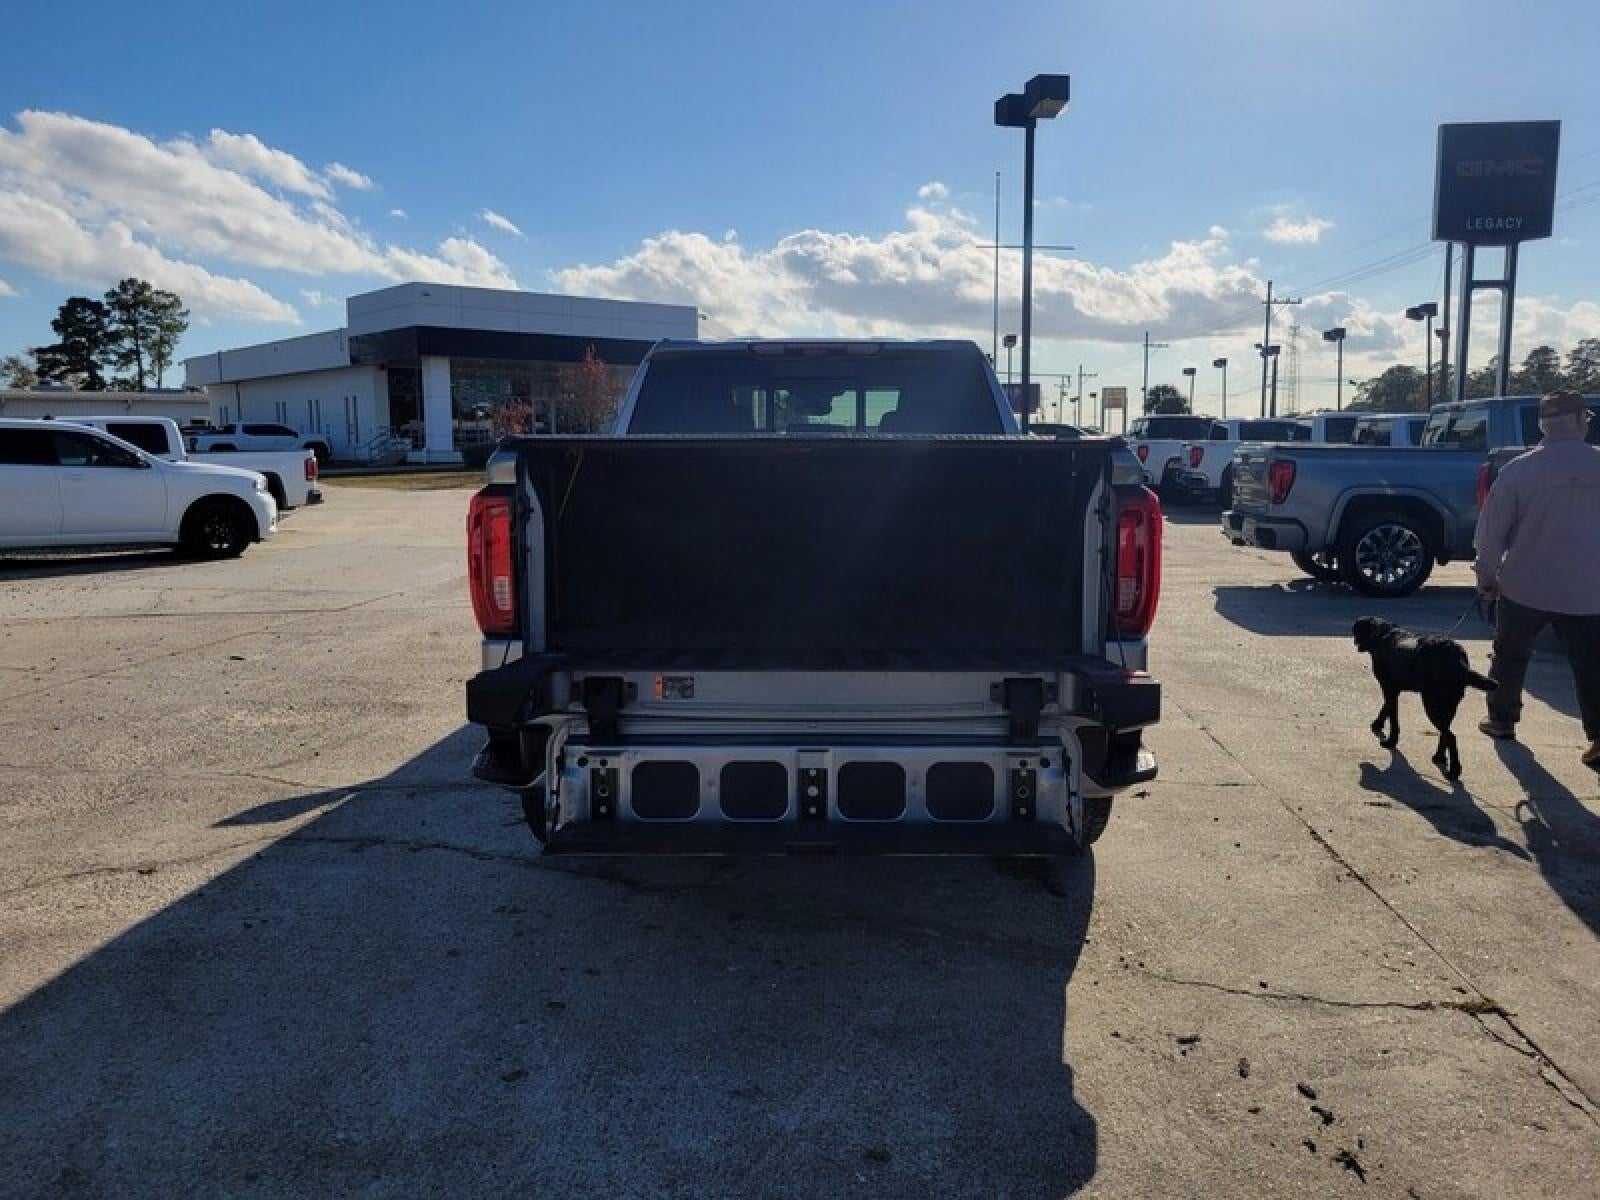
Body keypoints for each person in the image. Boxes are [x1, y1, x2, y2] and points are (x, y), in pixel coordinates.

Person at [1473, 390, 1600, 772]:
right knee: (1592, 665)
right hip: (1589, 591)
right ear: (1581, 421)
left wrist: (1486, 577)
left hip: (1525, 584)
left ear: (1542, 424)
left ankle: (1502, 721)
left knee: (1510, 656)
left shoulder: (1520, 471)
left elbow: (1491, 533)